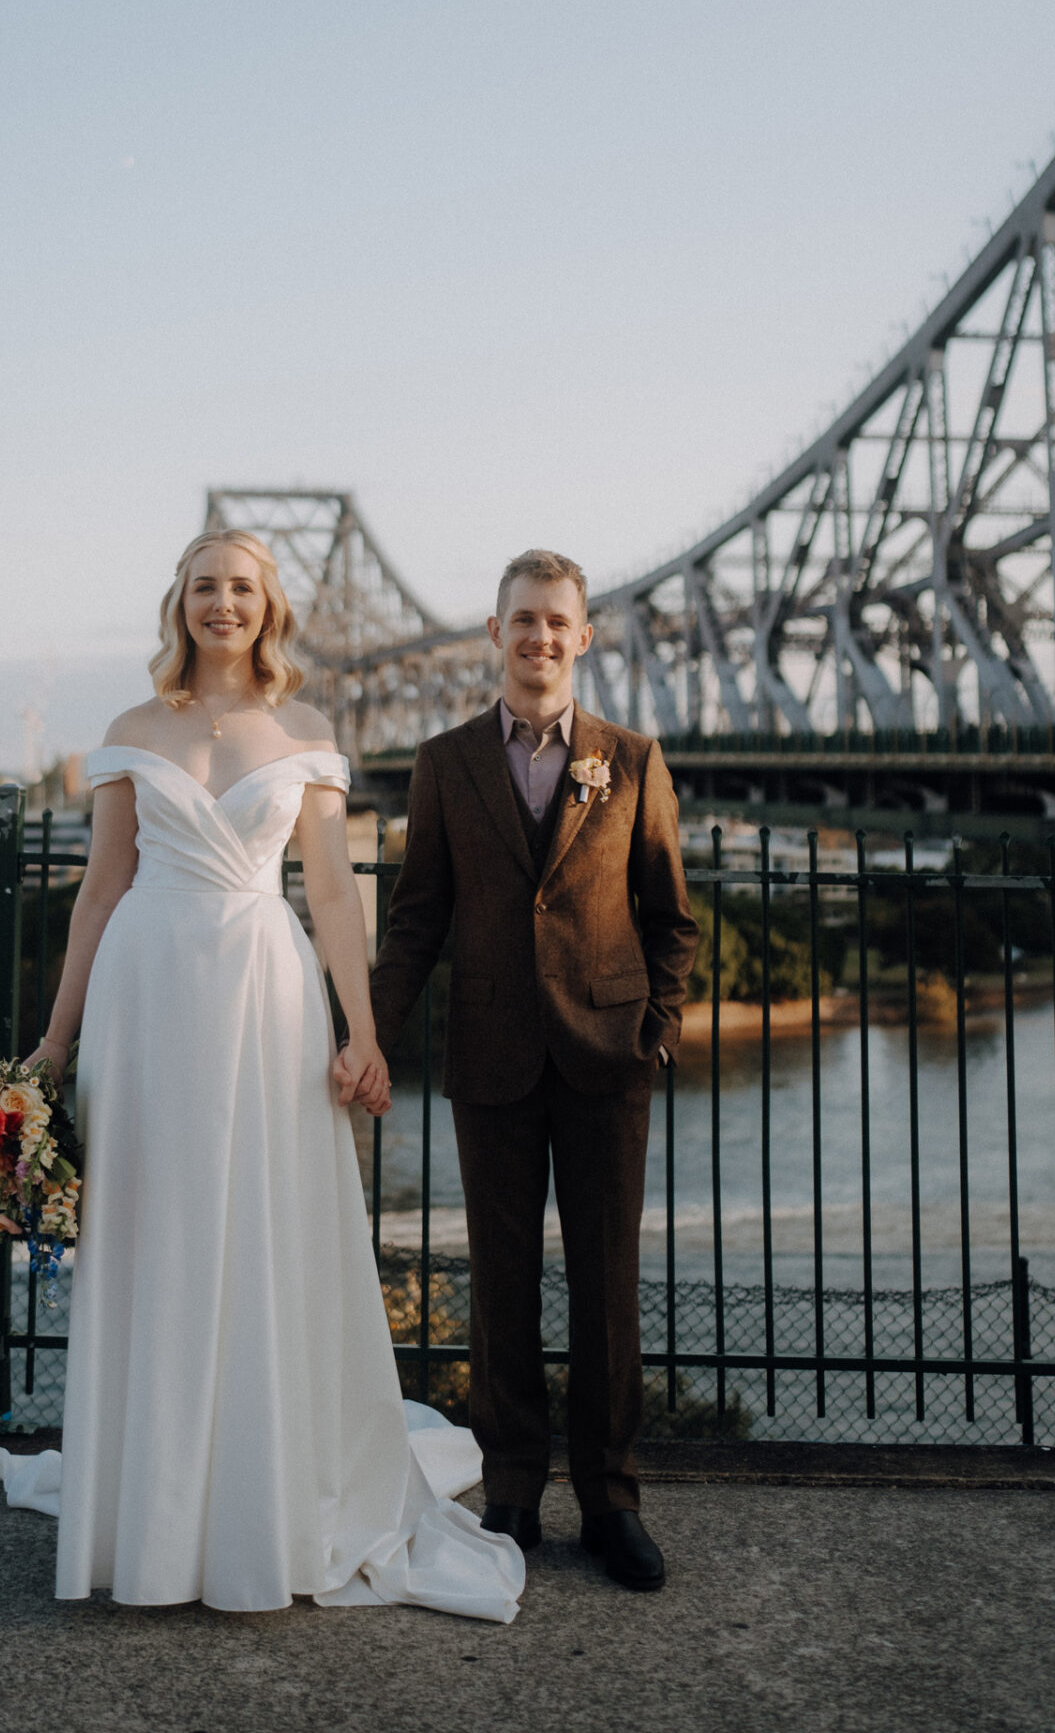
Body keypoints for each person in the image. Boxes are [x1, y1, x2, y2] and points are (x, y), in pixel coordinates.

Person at [0, 529, 523, 1622]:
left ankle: (254, 1499)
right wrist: (54, 1040)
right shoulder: (133, 730)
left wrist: (359, 1032)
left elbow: (329, 891)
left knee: (260, 1227)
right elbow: (98, 893)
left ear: (268, 607)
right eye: (202, 588)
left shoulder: (307, 729)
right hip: (146, 998)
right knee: (155, 1230)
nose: (221, 605)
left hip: (265, 992)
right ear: (176, 603)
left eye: (241, 588)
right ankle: (151, 1504)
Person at [367, 548, 700, 1591]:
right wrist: (369, 1035)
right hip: (492, 1056)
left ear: (584, 635)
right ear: (494, 633)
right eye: (521, 620)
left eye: (558, 622)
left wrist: (659, 1025)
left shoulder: (634, 758)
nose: (539, 638)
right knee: (500, 1288)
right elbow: (416, 919)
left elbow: (670, 917)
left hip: (608, 1058)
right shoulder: (443, 760)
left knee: (606, 1289)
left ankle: (613, 1501)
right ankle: (512, 1487)